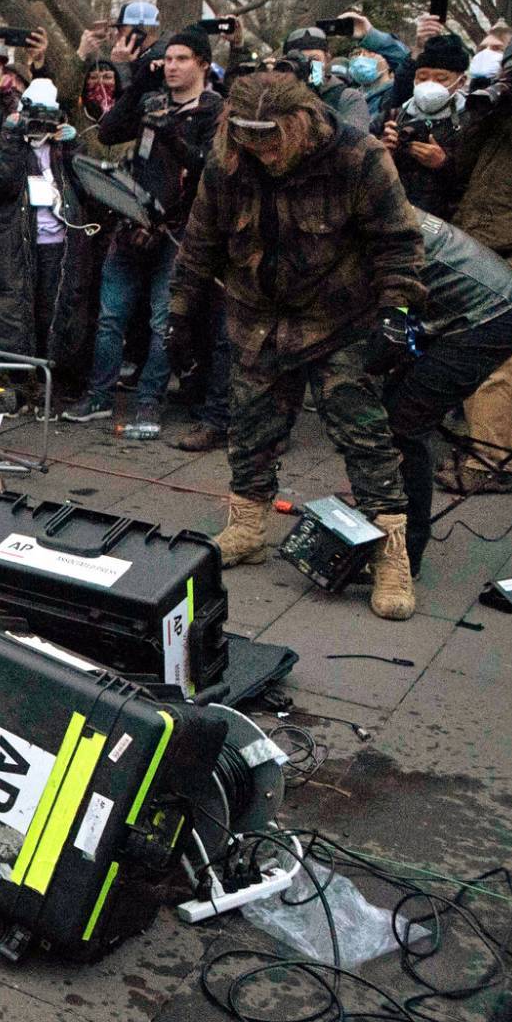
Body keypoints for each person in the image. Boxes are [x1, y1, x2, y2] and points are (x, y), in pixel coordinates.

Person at [169, 68, 424, 621]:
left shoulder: (358, 156)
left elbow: (398, 241)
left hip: (339, 318)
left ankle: (390, 551)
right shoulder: (228, 162)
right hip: (257, 316)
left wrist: (396, 312)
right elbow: (199, 242)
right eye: (250, 138)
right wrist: (180, 314)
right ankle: (247, 526)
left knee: (363, 435)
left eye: (272, 139)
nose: (262, 152)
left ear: (301, 124)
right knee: (250, 425)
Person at [66, 30, 221, 443]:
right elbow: (108, 133)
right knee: (110, 316)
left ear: (202, 64)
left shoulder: (213, 110)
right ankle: (99, 395)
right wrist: (138, 84)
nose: (171, 66)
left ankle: (149, 400)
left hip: (177, 232)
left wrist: (171, 133)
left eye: (182, 59)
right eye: (167, 59)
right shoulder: (153, 100)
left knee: (162, 320)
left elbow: (208, 168)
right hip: (131, 221)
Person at [384, 216, 512, 576]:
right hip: (476, 302)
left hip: (494, 315)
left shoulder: (370, 216)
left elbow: (390, 306)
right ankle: (388, 527)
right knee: (395, 407)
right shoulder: (372, 204)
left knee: (405, 423)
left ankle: (405, 555)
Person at [439, 32, 512, 494]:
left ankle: (490, 463)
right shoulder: (502, 115)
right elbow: (460, 168)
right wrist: (481, 116)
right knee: (472, 354)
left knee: (504, 364)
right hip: (481, 243)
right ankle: (478, 449)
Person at [0, 79, 88, 386]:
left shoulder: (62, 150)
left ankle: (51, 381)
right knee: (17, 313)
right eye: (34, 119)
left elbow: (87, 190)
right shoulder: (9, 144)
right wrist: (12, 139)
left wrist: (74, 147)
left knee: (53, 315)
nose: (39, 128)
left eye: (45, 120)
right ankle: (18, 381)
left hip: (58, 246)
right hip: (15, 246)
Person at [379, 33, 471, 219]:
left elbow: (480, 180)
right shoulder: (394, 114)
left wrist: (444, 164)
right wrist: (381, 152)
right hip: (395, 214)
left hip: (446, 221)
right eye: (422, 77)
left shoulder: (472, 119)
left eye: (441, 79)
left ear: (460, 81)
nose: (430, 85)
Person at [280, 26, 371, 129]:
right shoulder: (278, 96)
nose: (306, 66)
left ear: (327, 60)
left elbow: (357, 136)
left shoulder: (347, 97)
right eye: (299, 61)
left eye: (314, 60)